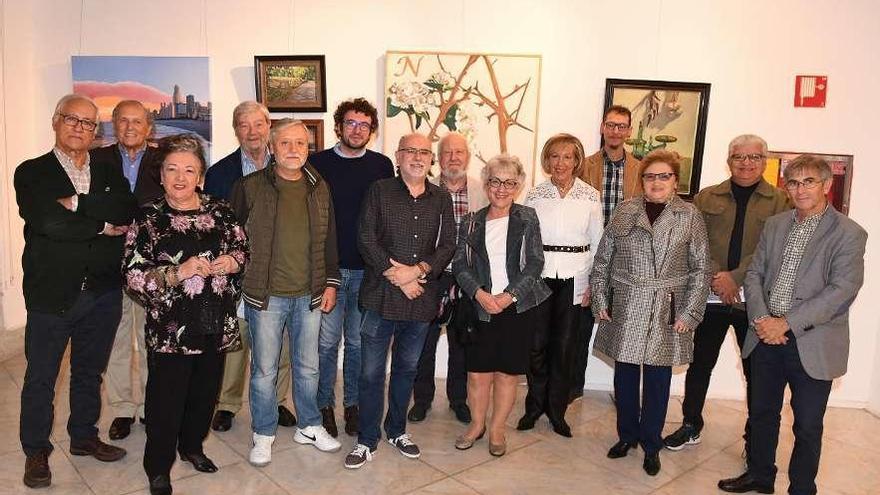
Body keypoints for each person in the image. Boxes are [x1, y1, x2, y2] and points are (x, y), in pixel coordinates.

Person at [718, 155, 867, 495]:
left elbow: (841, 291)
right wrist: (762, 320)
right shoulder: (776, 224)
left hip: (812, 342)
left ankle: (802, 488)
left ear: (827, 185)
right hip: (765, 336)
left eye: (809, 181)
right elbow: (754, 273)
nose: (800, 189)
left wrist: (785, 324)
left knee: (808, 425)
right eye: (794, 182)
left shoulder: (849, 233)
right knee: (761, 414)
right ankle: (759, 475)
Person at [15, 94, 134, 489]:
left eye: (87, 122)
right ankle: (36, 450)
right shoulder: (31, 172)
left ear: (94, 131)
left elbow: (124, 209)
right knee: (41, 378)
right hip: (52, 294)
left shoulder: (107, 170)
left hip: (102, 292)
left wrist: (77, 204)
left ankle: (83, 436)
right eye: (71, 119)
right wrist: (99, 225)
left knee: (89, 372)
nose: (79, 127)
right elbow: (48, 222)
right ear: (55, 120)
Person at [123, 134, 249, 495]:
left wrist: (232, 261)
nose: (180, 177)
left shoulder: (221, 210)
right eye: (172, 169)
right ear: (161, 175)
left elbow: (243, 250)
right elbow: (132, 276)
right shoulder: (148, 217)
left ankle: (192, 447)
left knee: (204, 397)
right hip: (170, 331)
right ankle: (158, 468)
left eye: (189, 170)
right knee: (165, 404)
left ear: (201, 176)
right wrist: (177, 273)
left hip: (215, 323)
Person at [664, 135, 790, 455]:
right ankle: (691, 424)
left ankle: (753, 437)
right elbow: (694, 242)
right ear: (729, 160)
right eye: (739, 157)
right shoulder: (707, 197)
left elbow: (772, 250)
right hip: (711, 294)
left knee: (756, 371)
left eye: (754, 157)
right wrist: (719, 277)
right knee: (700, 364)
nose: (746, 163)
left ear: (765, 161)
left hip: (756, 299)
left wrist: (736, 277)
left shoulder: (781, 202)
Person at [590, 149, 710, 476]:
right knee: (625, 376)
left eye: (664, 176)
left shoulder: (689, 215)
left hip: (667, 308)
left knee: (658, 380)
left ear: (675, 181)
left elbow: (701, 269)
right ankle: (627, 436)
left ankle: (651, 443)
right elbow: (603, 260)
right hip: (626, 304)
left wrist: (690, 312)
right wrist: (601, 300)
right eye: (649, 176)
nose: (656, 182)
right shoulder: (625, 211)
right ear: (641, 180)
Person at [230, 119, 342, 467]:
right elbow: (232, 239)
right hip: (265, 296)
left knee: (308, 367)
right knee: (264, 370)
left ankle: (309, 425)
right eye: (285, 144)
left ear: (308, 149)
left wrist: (331, 282)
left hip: (308, 294)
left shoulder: (319, 186)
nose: (293, 150)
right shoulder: (249, 187)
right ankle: (263, 433)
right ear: (272, 148)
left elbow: (329, 238)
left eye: (300, 143)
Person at [344, 133, 455, 470]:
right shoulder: (380, 191)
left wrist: (418, 271)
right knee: (371, 372)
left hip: (420, 297)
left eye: (424, 152)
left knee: (407, 368)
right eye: (410, 151)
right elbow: (366, 238)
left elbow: (448, 243)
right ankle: (366, 439)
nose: (417, 157)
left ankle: (397, 430)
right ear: (398, 156)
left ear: (431, 159)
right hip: (381, 295)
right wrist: (397, 275)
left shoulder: (441, 197)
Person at [205, 101, 295, 433]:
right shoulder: (219, 173)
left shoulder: (290, 165)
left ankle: (278, 401)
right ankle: (227, 404)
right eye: (244, 125)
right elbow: (210, 224)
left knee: (279, 339)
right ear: (236, 130)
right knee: (236, 339)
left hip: (283, 269)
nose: (252, 132)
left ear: (268, 126)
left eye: (258, 124)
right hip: (236, 271)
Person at [452, 154, 550, 457]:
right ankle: (476, 426)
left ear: (518, 185)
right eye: (495, 181)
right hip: (481, 306)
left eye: (509, 182)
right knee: (478, 373)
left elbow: (535, 262)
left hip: (516, 308)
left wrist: (509, 295)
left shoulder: (527, 217)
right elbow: (459, 265)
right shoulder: (471, 221)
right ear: (486, 183)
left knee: (507, 374)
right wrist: (480, 294)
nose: (501, 188)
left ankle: (496, 430)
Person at [311, 97, 394, 438]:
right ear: (338, 127)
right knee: (327, 344)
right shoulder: (317, 163)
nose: (357, 130)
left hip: (367, 273)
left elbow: (387, 219)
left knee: (359, 345)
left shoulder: (382, 166)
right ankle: (325, 406)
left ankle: (353, 406)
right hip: (330, 271)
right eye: (350, 123)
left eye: (364, 125)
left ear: (371, 131)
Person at [518, 134, 603, 437]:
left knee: (565, 347)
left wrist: (593, 282)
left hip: (575, 276)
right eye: (555, 156)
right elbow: (526, 240)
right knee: (536, 345)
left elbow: (598, 243)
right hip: (540, 277)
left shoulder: (591, 197)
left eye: (567, 157)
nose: (560, 163)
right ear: (547, 160)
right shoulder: (535, 195)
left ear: (577, 161)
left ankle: (557, 411)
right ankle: (533, 407)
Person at [92, 100, 164, 440]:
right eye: (123, 121)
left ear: (149, 127)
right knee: (118, 340)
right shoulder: (97, 160)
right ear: (113, 125)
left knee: (152, 339)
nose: (130, 127)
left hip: (152, 268)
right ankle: (122, 408)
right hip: (110, 266)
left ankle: (153, 407)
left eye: (137, 121)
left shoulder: (163, 161)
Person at [409, 132, 488, 425]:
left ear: (468, 157)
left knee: (461, 342)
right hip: (432, 275)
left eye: (459, 152)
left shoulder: (483, 192)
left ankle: (458, 399)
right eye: (447, 153)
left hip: (467, 276)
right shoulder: (424, 190)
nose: (453, 158)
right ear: (437, 159)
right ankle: (422, 399)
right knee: (424, 340)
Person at [580, 105, 642, 225]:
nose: (615, 131)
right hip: (593, 240)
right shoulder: (583, 167)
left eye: (622, 126)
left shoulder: (640, 170)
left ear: (629, 131)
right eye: (610, 125)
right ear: (602, 128)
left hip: (626, 241)